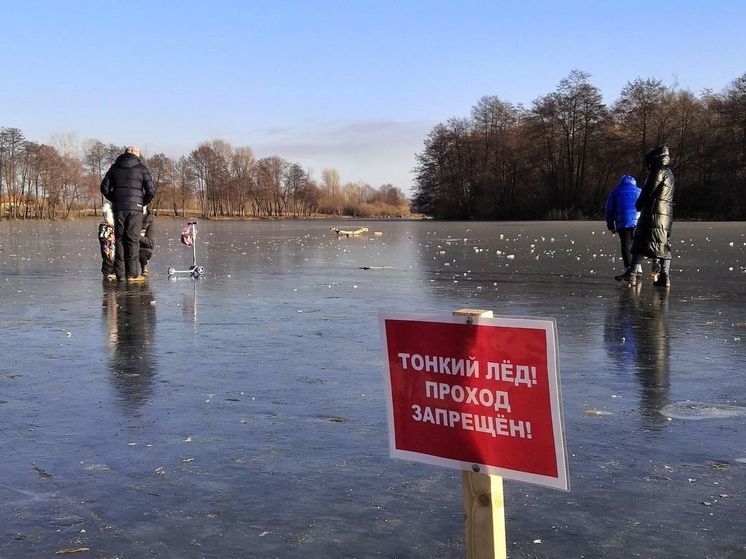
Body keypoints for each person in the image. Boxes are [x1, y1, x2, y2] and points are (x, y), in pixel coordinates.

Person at [618, 145, 675, 287]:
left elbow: (648, 190)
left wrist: (639, 204)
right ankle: (665, 277)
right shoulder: (669, 172)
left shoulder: (658, 171)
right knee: (663, 245)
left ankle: (631, 274)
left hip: (653, 212)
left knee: (640, 241)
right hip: (666, 213)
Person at [100, 146, 155, 282]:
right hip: (135, 209)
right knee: (132, 240)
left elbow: (104, 188)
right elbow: (151, 190)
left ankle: (120, 275)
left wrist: (116, 200)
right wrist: (141, 202)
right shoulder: (141, 168)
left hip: (119, 208)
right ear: (137, 155)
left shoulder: (114, 168)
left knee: (119, 240)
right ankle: (132, 275)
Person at [605, 175, 641, 274]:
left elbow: (609, 210)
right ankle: (637, 267)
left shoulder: (615, 192)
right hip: (638, 222)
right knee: (637, 244)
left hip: (623, 222)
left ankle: (629, 269)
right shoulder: (639, 191)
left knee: (626, 244)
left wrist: (610, 225)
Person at [98, 202, 116, 281]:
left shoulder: (106, 226)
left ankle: (110, 272)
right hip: (107, 243)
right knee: (109, 257)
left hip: (109, 243)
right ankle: (108, 273)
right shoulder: (105, 226)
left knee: (110, 257)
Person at [139, 205, 154, 275]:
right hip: (134, 246)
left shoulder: (149, 223)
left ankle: (144, 267)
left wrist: (136, 237)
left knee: (141, 253)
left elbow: (149, 242)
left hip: (145, 249)